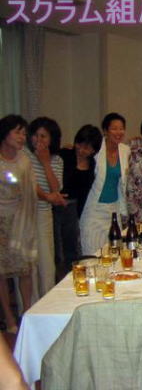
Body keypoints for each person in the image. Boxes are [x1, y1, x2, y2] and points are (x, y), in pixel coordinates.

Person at [0, 115, 37, 335]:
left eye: (24, 133)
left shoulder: (24, 160)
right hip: (1, 222)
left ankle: (27, 312)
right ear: (5, 133)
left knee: (25, 270)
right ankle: (9, 318)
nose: (22, 137)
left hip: (21, 220)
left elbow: (29, 191)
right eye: (17, 132)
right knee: (2, 273)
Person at [54, 125, 102, 280]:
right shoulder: (65, 155)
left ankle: (72, 280)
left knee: (72, 250)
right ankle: (57, 281)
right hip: (56, 206)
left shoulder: (92, 164)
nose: (81, 150)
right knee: (57, 251)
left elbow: (85, 192)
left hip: (73, 209)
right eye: (79, 144)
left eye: (87, 148)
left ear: (94, 149)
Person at [80, 113, 130, 256]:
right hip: (94, 209)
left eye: (121, 128)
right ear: (105, 131)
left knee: (114, 252)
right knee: (92, 253)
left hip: (114, 210)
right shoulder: (96, 148)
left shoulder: (125, 150)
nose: (118, 132)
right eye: (114, 128)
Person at [27, 117, 66, 296]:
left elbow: (56, 188)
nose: (38, 140)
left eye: (43, 136)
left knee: (46, 264)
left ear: (52, 139)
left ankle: (46, 302)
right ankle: (28, 307)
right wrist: (47, 196)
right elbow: (26, 183)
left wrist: (45, 163)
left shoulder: (56, 160)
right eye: (35, 135)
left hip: (43, 214)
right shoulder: (24, 155)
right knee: (28, 266)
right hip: (24, 213)